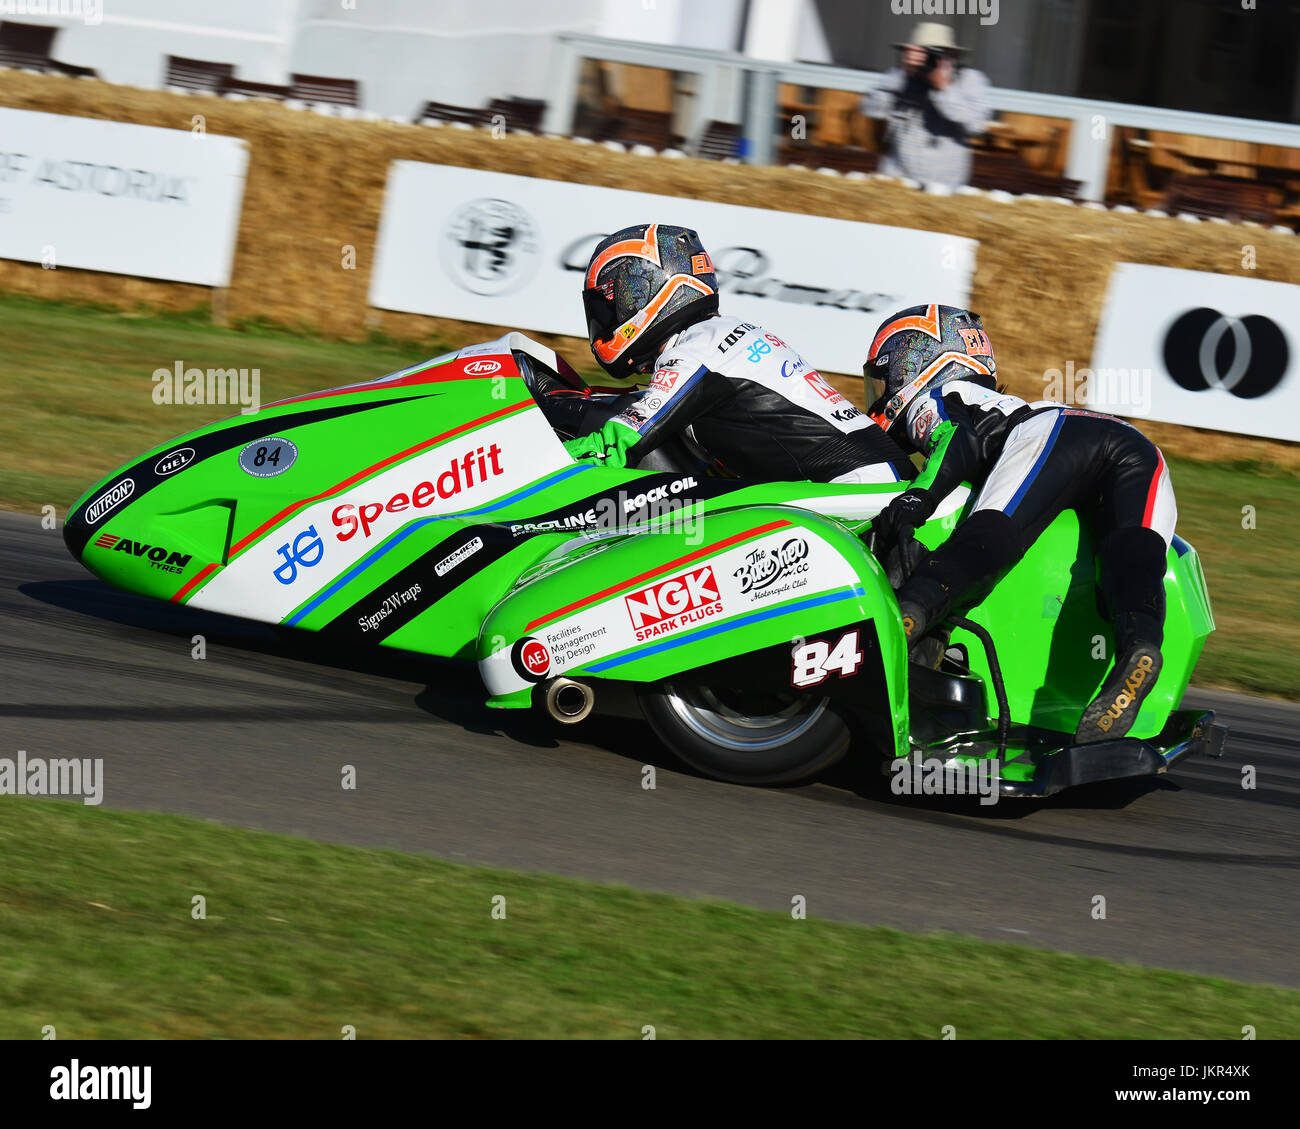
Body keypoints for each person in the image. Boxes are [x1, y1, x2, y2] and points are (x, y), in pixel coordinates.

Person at [864, 303, 1178, 744]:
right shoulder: (993, 397)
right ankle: (1139, 647)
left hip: (1055, 432)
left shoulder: (935, 396)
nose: (879, 392)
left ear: (915, 363)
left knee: (989, 537)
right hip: (1139, 448)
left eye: (883, 376)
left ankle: (907, 620)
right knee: (1133, 559)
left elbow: (957, 441)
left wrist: (919, 498)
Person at [561, 222, 915, 485]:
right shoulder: (721, 335)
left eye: (610, 306)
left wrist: (544, 464)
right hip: (875, 478)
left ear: (642, 294)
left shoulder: (697, 349)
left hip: (855, 489)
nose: (605, 321)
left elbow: (622, 441)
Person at [863, 21, 991, 192]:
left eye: (937, 54)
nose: (930, 61)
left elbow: (977, 124)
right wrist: (904, 76)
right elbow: (871, 109)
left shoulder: (969, 80)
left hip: (943, 188)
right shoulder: (899, 76)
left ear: (953, 57)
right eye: (925, 53)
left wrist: (944, 89)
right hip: (898, 181)